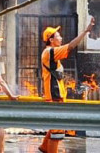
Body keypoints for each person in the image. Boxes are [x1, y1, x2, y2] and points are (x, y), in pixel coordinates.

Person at [38, 17, 95, 153]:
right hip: (54, 96)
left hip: (55, 94)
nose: (61, 38)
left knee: (55, 127)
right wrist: (85, 31)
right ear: (51, 40)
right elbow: (71, 46)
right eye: (58, 36)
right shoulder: (50, 52)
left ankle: (44, 148)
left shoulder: (51, 53)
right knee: (57, 132)